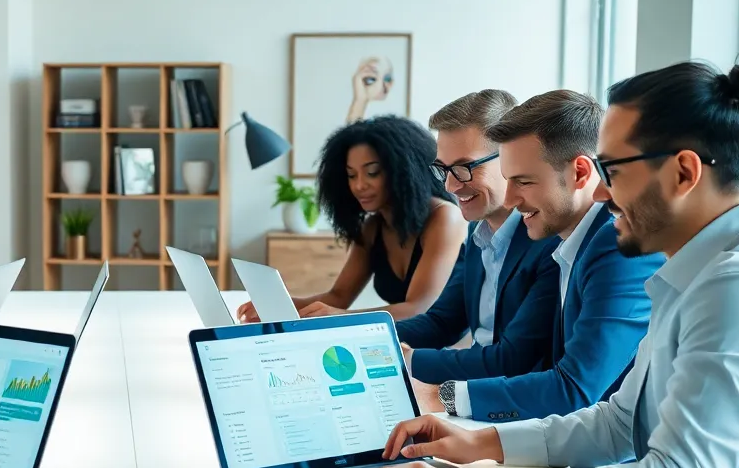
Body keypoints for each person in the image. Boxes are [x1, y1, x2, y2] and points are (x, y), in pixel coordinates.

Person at [351, 52, 739, 468]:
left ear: (684, 172)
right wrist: (479, 443)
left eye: (612, 170)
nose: (598, 193)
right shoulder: (699, 274)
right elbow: (619, 422)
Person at [408, 90, 663, 422]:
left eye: (523, 181)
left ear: (581, 173)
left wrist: (439, 395)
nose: (512, 199)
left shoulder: (618, 246)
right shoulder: (570, 240)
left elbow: (573, 390)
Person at [395, 90, 561, 384]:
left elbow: (512, 359)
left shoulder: (550, 240)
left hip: (514, 405)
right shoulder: (478, 232)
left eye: (464, 168)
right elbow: (442, 322)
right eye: (443, 170)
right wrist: (356, 330)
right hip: (474, 390)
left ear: (509, 159)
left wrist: (407, 359)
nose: (450, 186)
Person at [236, 115, 465, 323]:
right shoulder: (373, 227)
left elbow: (418, 308)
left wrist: (340, 317)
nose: (359, 185)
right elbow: (338, 297)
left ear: (402, 171)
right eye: (351, 175)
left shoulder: (445, 217)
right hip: (404, 340)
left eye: (372, 172)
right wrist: (274, 307)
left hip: (445, 350)